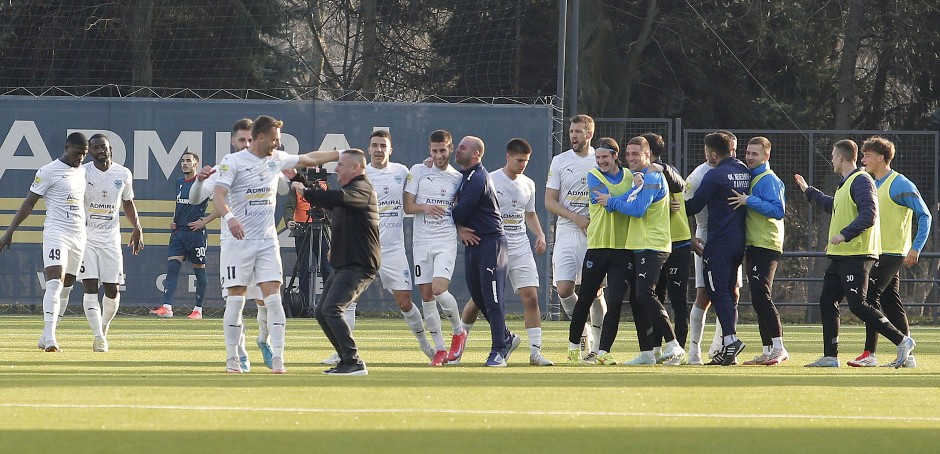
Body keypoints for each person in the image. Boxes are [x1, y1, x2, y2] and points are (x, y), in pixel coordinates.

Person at [213, 115, 340, 374]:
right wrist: (230, 218)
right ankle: (232, 359)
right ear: (260, 137)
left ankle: (279, 359)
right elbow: (218, 194)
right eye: (274, 139)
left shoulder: (276, 159)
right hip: (238, 243)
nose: (278, 144)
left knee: (273, 299)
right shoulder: (233, 161)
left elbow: (309, 158)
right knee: (236, 301)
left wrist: (340, 154)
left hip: (267, 241)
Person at [795, 139, 915, 368]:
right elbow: (834, 206)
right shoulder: (846, 183)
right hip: (841, 256)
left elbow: (869, 214)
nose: (832, 160)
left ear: (840, 157)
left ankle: (902, 340)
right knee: (827, 300)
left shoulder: (861, 180)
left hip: (857, 255)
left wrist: (844, 234)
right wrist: (808, 191)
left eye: (833, 156)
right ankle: (831, 357)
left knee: (858, 304)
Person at [190, 118, 279, 372]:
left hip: (262, 243)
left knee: (266, 302)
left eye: (250, 139)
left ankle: (264, 340)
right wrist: (199, 180)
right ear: (233, 141)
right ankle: (240, 353)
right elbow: (196, 198)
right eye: (242, 140)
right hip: (235, 245)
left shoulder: (268, 163)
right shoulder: (225, 167)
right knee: (235, 302)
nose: (246, 144)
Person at [455, 138, 553, 366]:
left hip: (519, 246)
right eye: (519, 160)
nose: (523, 165)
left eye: (526, 161)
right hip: (493, 245)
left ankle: (535, 353)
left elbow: (529, 214)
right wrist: (460, 228)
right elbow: (463, 206)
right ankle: (459, 348)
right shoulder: (489, 178)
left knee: (531, 297)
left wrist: (540, 234)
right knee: (478, 300)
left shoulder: (528, 184)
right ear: (508, 157)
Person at [598, 136, 685, 366]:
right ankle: (647, 353)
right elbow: (629, 199)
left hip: (652, 245)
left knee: (645, 294)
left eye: (635, 154)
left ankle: (673, 344)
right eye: (627, 154)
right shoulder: (641, 178)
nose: (630, 158)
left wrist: (611, 202)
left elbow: (637, 209)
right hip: (639, 245)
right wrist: (614, 200)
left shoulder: (653, 177)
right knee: (639, 299)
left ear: (648, 155)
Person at [0, 133, 88, 352]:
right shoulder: (48, 171)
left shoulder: (83, 171)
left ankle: (46, 334)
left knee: (67, 286)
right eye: (77, 153)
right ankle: (50, 338)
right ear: (67, 147)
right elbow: (29, 202)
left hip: (79, 235)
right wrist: (9, 232)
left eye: (84, 154)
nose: (80, 158)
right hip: (56, 232)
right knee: (54, 281)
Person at [299, 148, 379, 376]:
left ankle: (354, 361)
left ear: (356, 167)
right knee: (322, 311)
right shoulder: (350, 193)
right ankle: (347, 361)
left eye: (340, 165)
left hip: (359, 264)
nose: (336, 169)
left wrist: (305, 192)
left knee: (332, 309)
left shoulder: (362, 188)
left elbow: (335, 198)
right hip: (345, 264)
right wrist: (299, 180)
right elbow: (331, 202)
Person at [853, 137, 930, 367]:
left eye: (866, 155)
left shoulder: (900, 184)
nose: (862, 160)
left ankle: (869, 354)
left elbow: (925, 215)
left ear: (880, 158)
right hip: (875, 251)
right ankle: (908, 357)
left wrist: (916, 247)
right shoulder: (870, 183)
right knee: (890, 302)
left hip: (892, 252)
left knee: (868, 298)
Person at [362, 130, 435, 361]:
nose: (378, 150)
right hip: (365, 248)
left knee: (405, 303)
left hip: (393, 250)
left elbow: (420, 184)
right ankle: (342, 352)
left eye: (383, 145)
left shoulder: (402, 172)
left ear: (390, 149)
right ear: (368, 149)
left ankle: (426, 346)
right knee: (349, 300)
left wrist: (428, 165)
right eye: (375, 145)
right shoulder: (362, 174)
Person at [451, 136, 520, 366]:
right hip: (474, 244)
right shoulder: (463, 176)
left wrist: (444, 216)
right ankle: (506, 337)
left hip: (491, 244)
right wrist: (459, 228)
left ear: (476, 154)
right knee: (480, 297)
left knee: (493, 298)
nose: (457, 150)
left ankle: (499, 350)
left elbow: (461, 210)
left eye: (462, 147)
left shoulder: (478, 177)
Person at [684, 132, 751, 366]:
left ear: (712, 154)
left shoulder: (713, 175)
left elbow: (693, 205)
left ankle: (729, 340)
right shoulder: (743, 170)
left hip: (717, 242)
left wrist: (667, 203)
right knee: (727, 293)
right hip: (738, 241)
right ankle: (720, 348)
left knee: (717, 291)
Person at [564, 138, 631, 365]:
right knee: (585, 298)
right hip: (597, 246)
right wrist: (627, 198)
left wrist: (615, 199)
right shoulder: (594, 176)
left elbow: (631, 201)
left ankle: (603, 351)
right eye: (598, 157)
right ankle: (574, 348)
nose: (601, 161)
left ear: (615, 156)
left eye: (605, 157)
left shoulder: (630, 176)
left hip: (622, 249)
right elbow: (606, 204)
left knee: (615, 302)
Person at [545, 114, 606, 361]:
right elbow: (549, 201)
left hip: (595, 231)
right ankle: (583, 331)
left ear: (589, 134)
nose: (573, 135)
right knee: (563, 289)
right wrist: (576, 218)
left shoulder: (600, 159)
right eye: (571, 131)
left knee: (597, 291)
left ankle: (598, 348)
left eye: (578, 131)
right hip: (567, 230)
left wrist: (593, 221)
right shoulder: (560, 161)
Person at [403, 130, 466, 366]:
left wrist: (461, 229)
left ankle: (458, 331)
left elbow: (460, 210)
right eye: (435, 151)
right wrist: (425, 207)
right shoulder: (419, 170)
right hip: (421, 241)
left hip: (445, 240)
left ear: (450, 149)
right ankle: (440, 349)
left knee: (439, 289)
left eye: (443, 150)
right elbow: (408, 206)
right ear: (429, 150)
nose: (439, 155)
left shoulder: (457, 178)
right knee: (426, 295)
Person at [78, 134, 144, 352]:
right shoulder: (83, 172)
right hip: (86, 238)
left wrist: (137, 227)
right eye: (96, 147)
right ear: (90, 151)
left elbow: (128, 202)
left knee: (112, 291)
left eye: (104, 147)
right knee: (89, 288)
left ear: (110, 149)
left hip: (111, 240)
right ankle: (99, 338)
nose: (101, 150)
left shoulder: (123, 173)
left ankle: (103, 326)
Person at [727, 136, 789, 365]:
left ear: (766, 156)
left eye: (755, 154)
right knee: (757, 298)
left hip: (767, 244)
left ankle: (779, 347)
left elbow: (778, 210)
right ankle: (767, 350)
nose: (750, 157)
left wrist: (749, 200)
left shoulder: (769, 179)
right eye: (748, 153)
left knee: (762, 296)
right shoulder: (752, 176)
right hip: (754, 244)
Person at [642, 132, 691, 365]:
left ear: (649, 152)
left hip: (677, 241)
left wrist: (663, 168)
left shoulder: (666, 171)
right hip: (656, 242)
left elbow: (681, 185)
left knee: (678, 299)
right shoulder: (640, 174)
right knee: (655, 296)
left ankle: (678, 349)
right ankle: (655, 349)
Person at [151, 150, 213, 319]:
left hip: (195, 234)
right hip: (179, 233)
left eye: (188, 161)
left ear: (196, 164)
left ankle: (198, 310)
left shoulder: (204, 183)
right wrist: (174, 221)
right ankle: (167, 307)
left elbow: (221, 206)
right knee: (172, 267)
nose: (184, 164)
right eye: (182, 161)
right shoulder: (179, 182)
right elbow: (179, 204)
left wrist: (204, 221)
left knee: (199, 270)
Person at [283, 164, 333, 319]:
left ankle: (330, 304)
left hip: (321, 227)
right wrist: (289, 221)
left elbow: (332, 206)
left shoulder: (325, 185)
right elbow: (289, 206)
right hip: (302, 229)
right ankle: (303, 306)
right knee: (304, 268)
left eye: (315, 166)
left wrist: (331, 220)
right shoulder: (297, 185)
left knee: (327, 266)